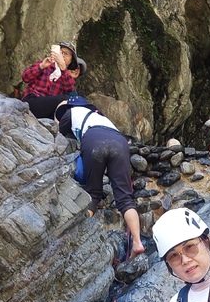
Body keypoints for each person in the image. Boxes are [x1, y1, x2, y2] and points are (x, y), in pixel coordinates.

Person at [55, 97, 144, 255]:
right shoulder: (101, 117)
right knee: (124, 199)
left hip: (94, 139)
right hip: (119, 141)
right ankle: (137, 242)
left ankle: (79, 239)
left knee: (93, 194)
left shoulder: (71, 112)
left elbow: (58, 136)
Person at [21, 42, 80, 118]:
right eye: (61, 52)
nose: (63, 55)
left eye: (67, 54)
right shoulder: (44, 63)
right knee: (63, 99)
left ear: (71, 60)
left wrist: (62, 67)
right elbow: (25, 77)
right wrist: (41, 66)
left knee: (70, 104)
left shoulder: (66, 75)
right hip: (32, 101)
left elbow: (69, 88)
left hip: (49, 108)